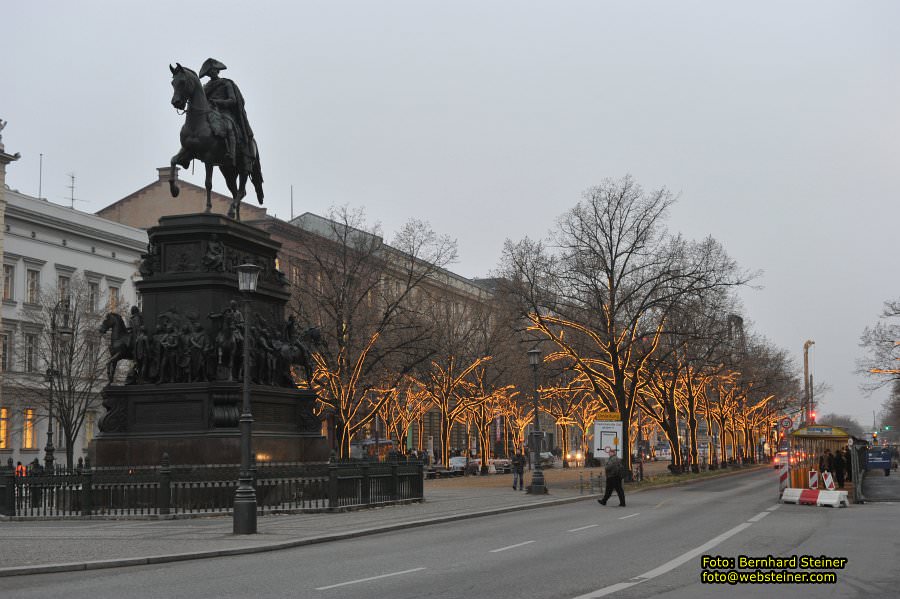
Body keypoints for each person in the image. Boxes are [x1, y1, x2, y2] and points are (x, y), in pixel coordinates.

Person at [199, 58, 257, 169]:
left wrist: (217, 102)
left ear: (217, 71)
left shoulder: (226, 83)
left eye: (213, 70)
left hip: (225, 113)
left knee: (229, 127)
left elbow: (233, 100)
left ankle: (231, 153)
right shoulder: (205, 87)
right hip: (210, 113)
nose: (212, 72)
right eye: (209, 71)